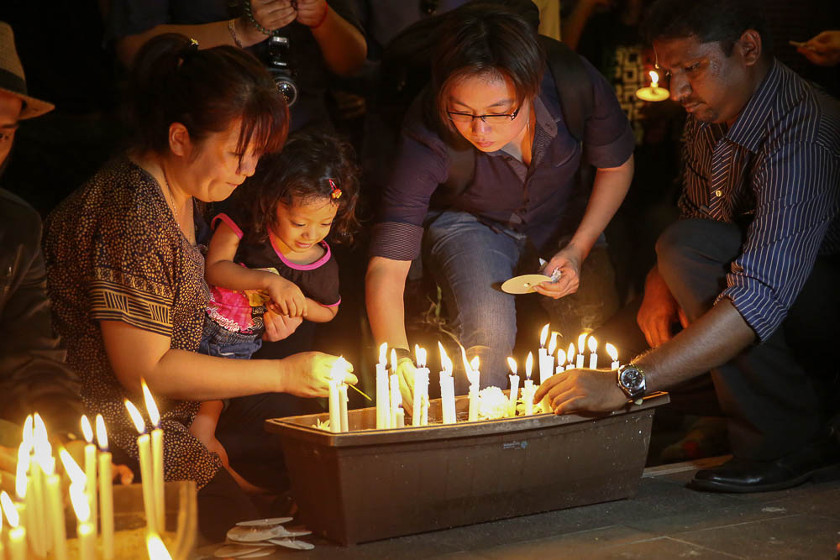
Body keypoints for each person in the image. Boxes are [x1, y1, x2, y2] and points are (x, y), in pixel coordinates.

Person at [43, 34, 357, 540]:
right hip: (120, 418)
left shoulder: (189, 190)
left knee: (311, 450)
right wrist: (284, 373)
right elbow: (147, 371)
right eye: (237, 154)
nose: (249, 172)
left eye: (257, 156)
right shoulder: (132, 214)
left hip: (191, 403)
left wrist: (256, 312)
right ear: (180, 138)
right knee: (237, 528)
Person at [536, 0, 840, 493]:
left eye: (693, 68)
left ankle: (788, 438)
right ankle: (735, 411)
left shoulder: (802, 131)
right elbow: (701, 214)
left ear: (748, 48)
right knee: (625, 335)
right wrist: (662, 276)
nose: (676, 91)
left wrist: (627, 383)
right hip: (759, 290)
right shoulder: (708, 114)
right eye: (668, 72)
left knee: (679, 261)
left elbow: (759, 296)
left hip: (817, 309)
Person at [366, 3, 635, 393]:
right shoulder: (427, 132)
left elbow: (617, 166)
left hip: (565, 218)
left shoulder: (571, 84)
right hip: (471, 222)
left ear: (531, 88)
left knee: (592, 337)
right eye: (462, 112)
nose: (481, 130)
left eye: (499, 112)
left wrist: (579, 248)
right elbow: (388, 264)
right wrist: (397, 357)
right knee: (486, 334)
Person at [191, 131, 359, 486]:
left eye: (325, 223)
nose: (311, 234)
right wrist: (270, 282)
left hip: (250, 350)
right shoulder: (247, 224)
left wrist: (298, 308)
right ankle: (203, 447)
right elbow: (215, 268)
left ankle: (217, 458)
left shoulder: (321, 264)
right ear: (272, 202)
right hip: (208, 324)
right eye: (299, 223)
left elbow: (329, 310)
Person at [107, 0, 366, 133]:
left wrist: (322, 18)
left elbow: (352, 63)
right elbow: (134, 47)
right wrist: (238, 32)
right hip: (204, 137)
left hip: (302, 139)